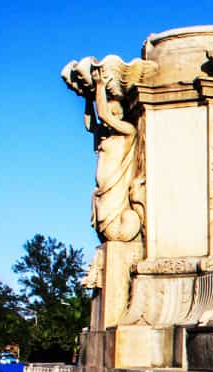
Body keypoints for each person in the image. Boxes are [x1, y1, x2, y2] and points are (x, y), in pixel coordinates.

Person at [86, 66, 142, 242]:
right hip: (104, 190)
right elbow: (91, 126)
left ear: (121, 116)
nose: (110, 118)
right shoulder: (106, 137)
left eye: (115, 113)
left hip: (116, 189)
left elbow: (103, 115)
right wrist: (89, 98)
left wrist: (100, 86)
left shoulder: (128, 131)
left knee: (114, 232)